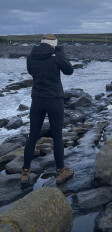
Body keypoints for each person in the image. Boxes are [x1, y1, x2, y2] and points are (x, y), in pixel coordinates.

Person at [21, 33, 74, 185]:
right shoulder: (56, 55)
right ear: (54, 44)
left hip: (37, 99)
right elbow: (69, 71)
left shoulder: (31, 56)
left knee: (32, 136)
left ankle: (25, 173)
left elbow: (32, 72)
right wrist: (60, 53)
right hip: (54, 99)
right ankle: (61, 171)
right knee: (57, 136)